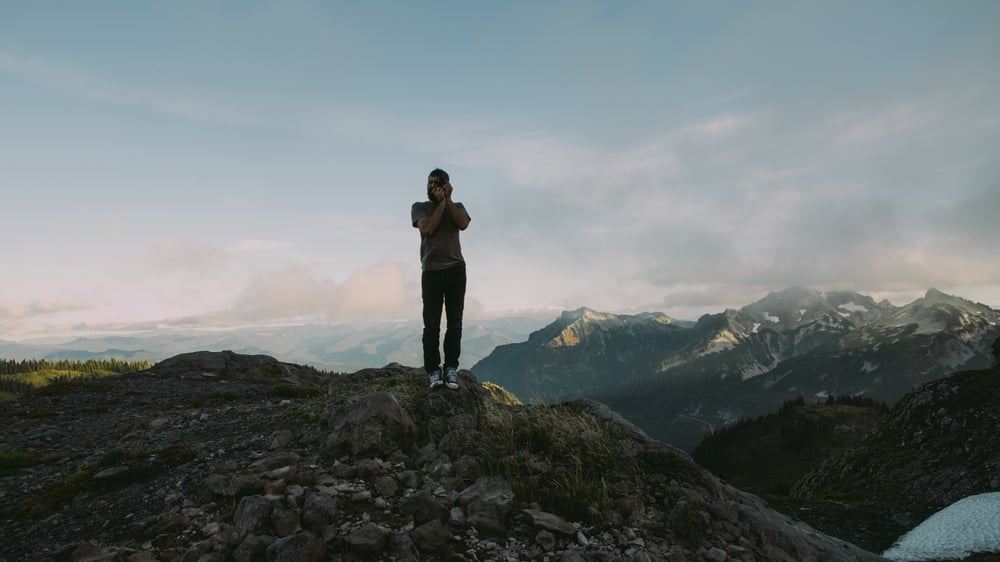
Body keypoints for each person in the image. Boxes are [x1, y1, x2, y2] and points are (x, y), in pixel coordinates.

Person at [411, 168, 471, 390]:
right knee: (431, 324)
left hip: (456, 270)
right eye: (429, 182)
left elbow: (463, 224)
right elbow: (428, 228)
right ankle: (434, 371)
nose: (431, 186)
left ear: (447, 184)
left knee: (455, 322)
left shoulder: (458, 207)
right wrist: (442, 204)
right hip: (431, 272)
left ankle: (451, 368)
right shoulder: (419, 208)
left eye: (437, 182)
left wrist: (449, 200)